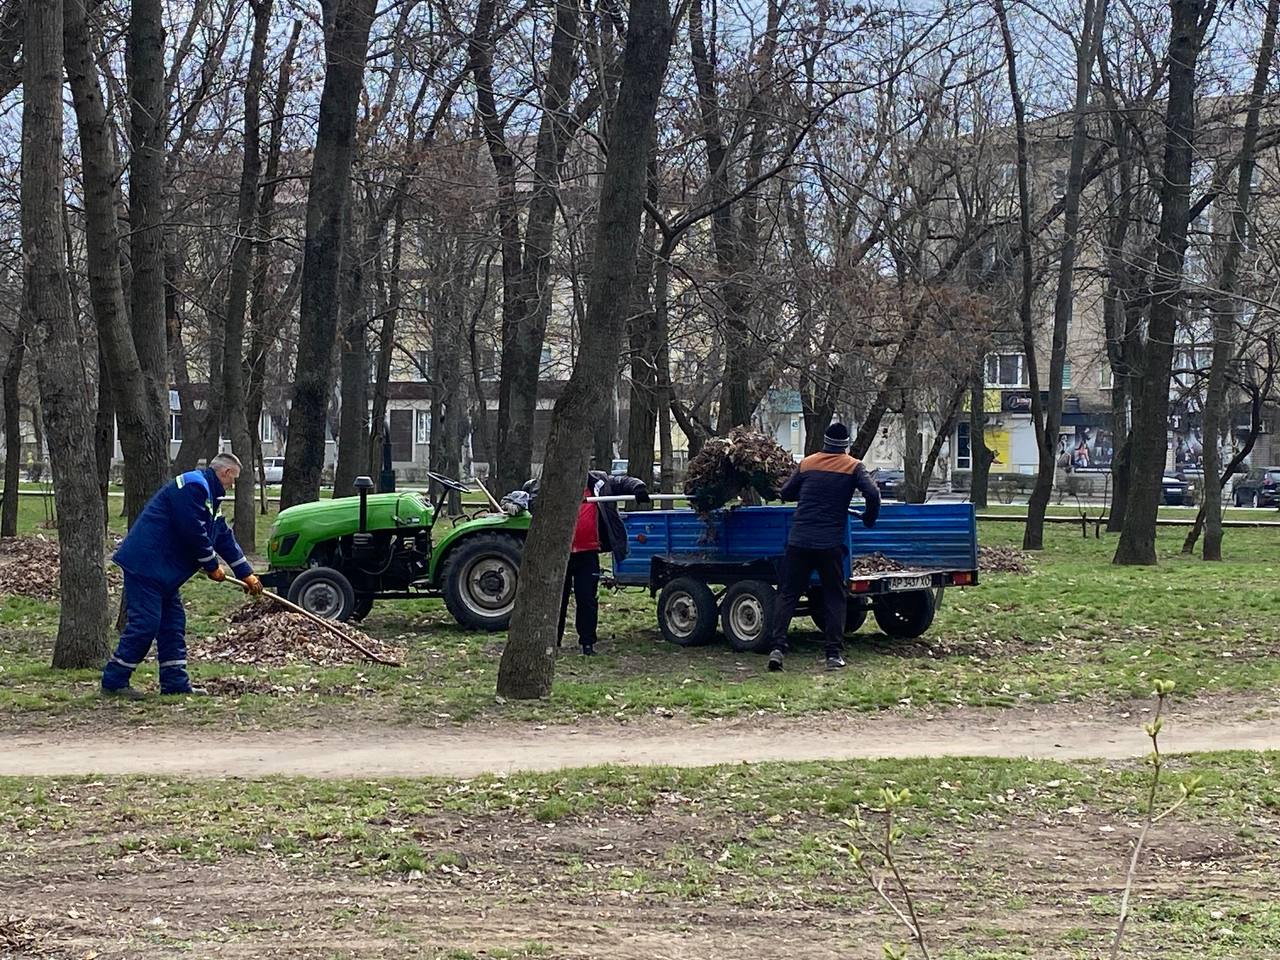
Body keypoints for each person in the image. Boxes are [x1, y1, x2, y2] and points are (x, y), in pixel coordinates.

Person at [101, 452, 263, 699]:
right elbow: (193, 532)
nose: (232, 486)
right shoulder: (192, 487)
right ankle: (114, 682)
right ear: (226, 473)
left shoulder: (209, 496)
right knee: (146, 625)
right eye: (233, 479)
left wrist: (247, 575)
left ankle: (174, 683)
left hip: (164, 574)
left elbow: (222, 536)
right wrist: (211, 566)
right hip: (147, 565)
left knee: (173, 625)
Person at [766, 423, 880, 672]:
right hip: (829, 545)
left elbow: (786, 492)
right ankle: (832, 654)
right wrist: (870, 518)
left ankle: (777, 648)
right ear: (846, 444)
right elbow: (873, 494)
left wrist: (808, 493)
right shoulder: (853, 466)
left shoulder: (807, 463)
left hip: (799, 541)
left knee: (787, 594)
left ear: (825, 442)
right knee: (834, 596)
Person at [559, 468, 650, 655]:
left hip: (588, 553)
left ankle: (587, 644)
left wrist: (638, 487)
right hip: (559, 556)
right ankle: (552, 642)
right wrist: (515, 503)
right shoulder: (555, 482)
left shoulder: (600, 483)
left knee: (587, 600)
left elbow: (624, 481)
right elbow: (528, 493)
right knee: (557, 600)